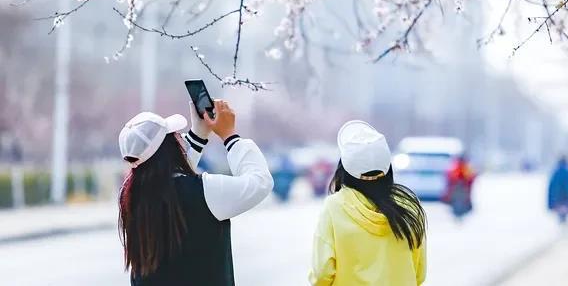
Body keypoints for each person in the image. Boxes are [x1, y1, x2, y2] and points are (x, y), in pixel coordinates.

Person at [118, 100, 273, 286]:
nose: (180, 138)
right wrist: (230, 136)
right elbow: (260, 182)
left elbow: (167, 176)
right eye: (175, 136)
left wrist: (199, 135)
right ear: (169, 149)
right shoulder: (204, 192)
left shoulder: (131, 196)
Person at [309, 120, 427, 285]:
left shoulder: (334, 207)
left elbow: (322, 274)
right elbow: (419, 274)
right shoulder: (409, 206)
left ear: (344, 169)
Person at [444, 154, 477, 218]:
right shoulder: (455, 167)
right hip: (458, 189)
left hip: (462, 189)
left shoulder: (465, 167)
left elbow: (471, 177)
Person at [547, 156, 568, 224]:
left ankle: (562, 227)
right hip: (565, 198)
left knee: (560, 215)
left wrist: (550, 201)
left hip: (557, 198)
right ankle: (564, 228)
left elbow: (551, 187)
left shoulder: (555, 171)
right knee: (564, 215)